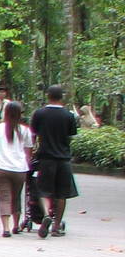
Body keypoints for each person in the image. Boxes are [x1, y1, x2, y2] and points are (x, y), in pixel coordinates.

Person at [30, 85, 80, 237]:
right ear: (62, 97)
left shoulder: (40, 113)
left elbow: (34, 133)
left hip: (45, 158)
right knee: (62, 194)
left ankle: (46, 215)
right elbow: (70, 136)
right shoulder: (69, 115)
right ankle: (56, 226)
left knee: (43, 190)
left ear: (48, 96)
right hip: (63, 158)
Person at [0, 99, 33, 237]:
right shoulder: (25, 131)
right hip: (19, 169)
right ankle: (16, 225)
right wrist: (27, 165)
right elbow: (29, 151)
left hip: (1, 168)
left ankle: (6, 228)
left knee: (4, 197)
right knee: (16, 197)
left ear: (5, 113)